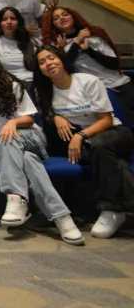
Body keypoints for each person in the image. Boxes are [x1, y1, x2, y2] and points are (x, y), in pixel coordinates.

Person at [0, 44, 83, 244]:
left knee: (8, 139)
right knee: (28, 161)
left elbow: (29, 120)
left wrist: (13, 122)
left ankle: (15, 196)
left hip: (28, 136)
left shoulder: (9, 83)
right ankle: (63, 218)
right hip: (0, 148)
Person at [33, 45, 134, 238]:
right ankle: (116, 211)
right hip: (89, 143)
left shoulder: (87, 81)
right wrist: (55, 117)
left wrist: (80, 136)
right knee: (114, 162)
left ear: (62, 59)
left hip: (113, 133)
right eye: (42, 62)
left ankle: (110, 208)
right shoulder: (44, 92)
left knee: (100, 145)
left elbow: (105, 120)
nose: (48, 63)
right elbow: (47, 116)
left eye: (51, 58)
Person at [43, 5, 134, 118]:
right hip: (92, 90)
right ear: (53, 25)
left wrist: (89, 51)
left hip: (118, 82)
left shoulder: (94, 35)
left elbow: (114, 64)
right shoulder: (56, 45)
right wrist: (76, 43)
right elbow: (65, 68)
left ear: (73, 17)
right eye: (56, 18)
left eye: (65, 14)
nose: (61, 18)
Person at [0, 7, 37, 85]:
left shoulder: (30, 41)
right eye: (4, 19)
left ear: (19, 22)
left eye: (13, 18)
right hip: (8, 84)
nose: (9, 22)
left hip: (32, 83)